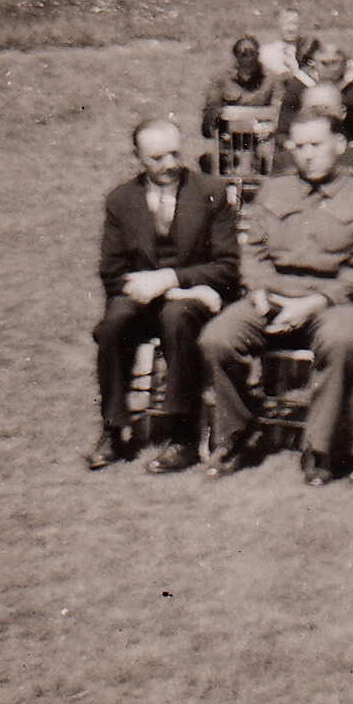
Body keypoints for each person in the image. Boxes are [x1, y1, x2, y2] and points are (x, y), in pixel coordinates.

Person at [198, 113, 353, 483]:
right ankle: (239, 435)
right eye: (299, 146)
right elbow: (254, 249)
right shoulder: (275, 189)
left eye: (316, 145)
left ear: (339, 146)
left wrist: (314, 302)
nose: (306, 155)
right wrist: (258, 292)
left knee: (341, 342)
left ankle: (320, 449)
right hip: (270, 296)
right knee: (217, 339)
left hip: (333, 301)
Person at [90, 119, 241, 473]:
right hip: (142, 297)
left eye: (175, 153)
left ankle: (182, 434)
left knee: (177, 317)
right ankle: (114, 429)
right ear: (139, 157)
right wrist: (158, 287)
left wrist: (171, 280)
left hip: (195, 299)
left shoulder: (211, 192)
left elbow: (228, 267)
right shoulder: (121, 200)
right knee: (113, 325)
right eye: (157, 158)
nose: (169, 164)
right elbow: (111, 273)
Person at [199, 35, 300, 165]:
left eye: (252, 56)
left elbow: (280, 112)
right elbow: (209, 116)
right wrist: (221, 122)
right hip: (229, 139)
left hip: (263, 139)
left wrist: (270, 127)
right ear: (236, 58)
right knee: (208, 162)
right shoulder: (221, 80)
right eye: (243, 56)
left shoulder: (272, 80)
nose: (248, 62)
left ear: (258, 56)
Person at [259, 7, 312, 83]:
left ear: (301, 26)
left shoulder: (308, 50)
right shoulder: (266, 52)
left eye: (294, 24)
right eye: (285, 24)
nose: (290, 29)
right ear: (278, 25)